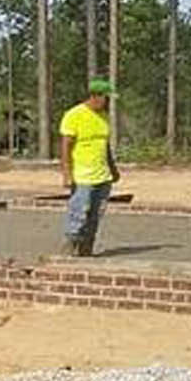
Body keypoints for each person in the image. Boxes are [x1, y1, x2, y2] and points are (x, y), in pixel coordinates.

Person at [58, 79, 120, 257]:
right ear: (95, 96)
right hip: (83, 177)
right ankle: (68, 252)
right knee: (78, 214)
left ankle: (86, 252)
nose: (108, 102)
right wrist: (66, 174)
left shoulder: (103, 117)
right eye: (106, 98)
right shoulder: (74, 115)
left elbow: (105, 145)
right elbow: (66, 146)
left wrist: (113, 169)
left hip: (103, 176)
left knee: (96, 216)